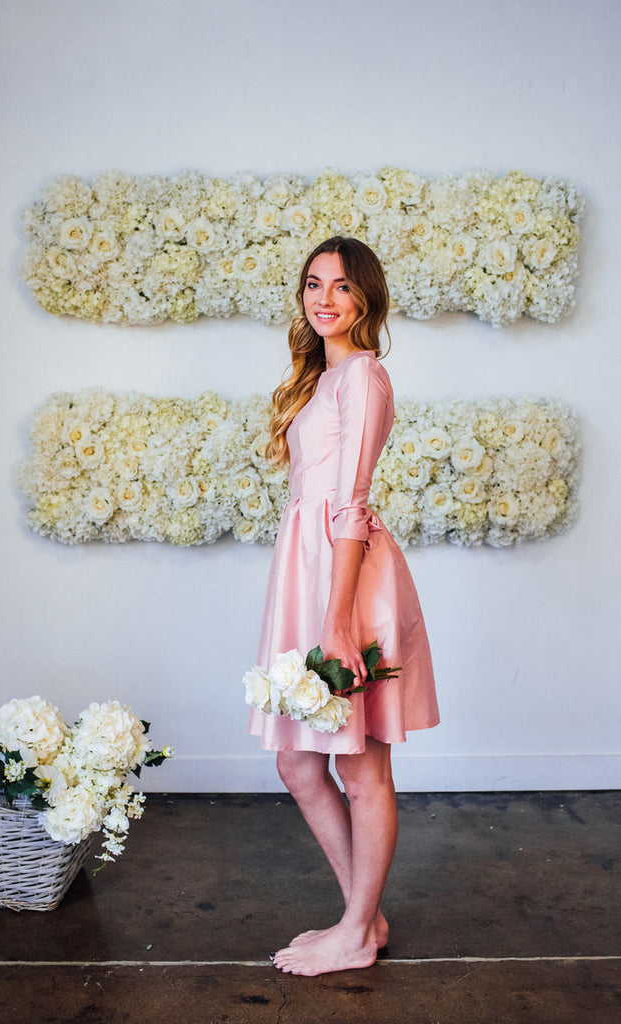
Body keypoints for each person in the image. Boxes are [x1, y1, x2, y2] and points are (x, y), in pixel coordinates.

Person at [248, 236, 440, 976]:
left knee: (361, 768)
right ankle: (365, 916)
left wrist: (336, 621)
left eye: (341, 286)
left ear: (366, 298)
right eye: (312, 284)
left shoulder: (364, 377)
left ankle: (357, 931)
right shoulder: (318, 379)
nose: (323, 298)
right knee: (299, 763)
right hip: (306, 575)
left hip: (347, 583)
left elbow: (351, 507)